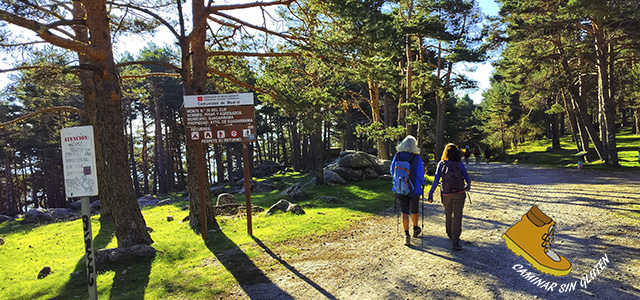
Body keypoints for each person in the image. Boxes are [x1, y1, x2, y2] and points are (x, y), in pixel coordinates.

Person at [427, 143, 471, 251]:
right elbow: (467, 177)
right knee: (457, 216)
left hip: (446, 193)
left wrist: (431, 193)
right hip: (459, 193)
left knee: (448, 213)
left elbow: (436, 180)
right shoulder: (459, 164)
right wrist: (468, 185)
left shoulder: (441, 164)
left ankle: (449, 233)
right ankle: (455, 240)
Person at [390, 135, 425, 246]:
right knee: (414, 209)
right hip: (413, 188)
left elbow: (392, 170)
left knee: (404, 211)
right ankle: (415, 228)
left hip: (400, 187)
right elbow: (420, 173)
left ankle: (406, 235)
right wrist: (423, 183)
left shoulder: (397, 156)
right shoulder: (416, 157)